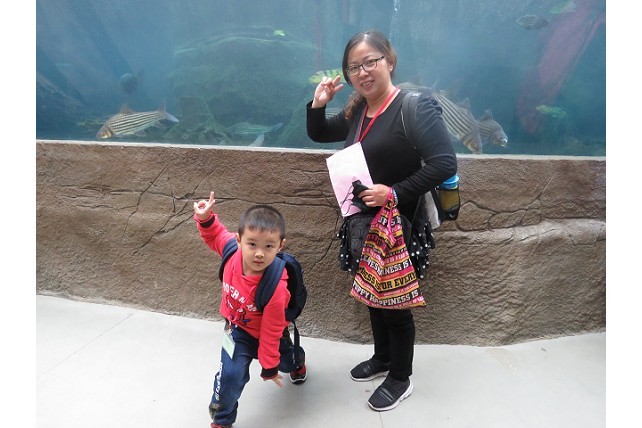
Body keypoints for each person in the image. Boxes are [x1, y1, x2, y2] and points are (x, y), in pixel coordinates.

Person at [306, 30, 457, 411]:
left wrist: (394, 192)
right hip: (363, 223)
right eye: (353, 67)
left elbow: (444, 163)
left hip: (398, 222)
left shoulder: (414, 107)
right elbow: (320, 133)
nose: (362, 72)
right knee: (372, 293)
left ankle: (400, 377)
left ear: (389, 60)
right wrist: (318, 104)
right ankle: (383, 357)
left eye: (370, 62)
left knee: (395, 301)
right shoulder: (359, 110)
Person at [193, 192, 307, 428]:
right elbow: (215, 234)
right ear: (239, 240)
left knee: (287, 363)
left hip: (269, 335)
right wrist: (205, 218)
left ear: (280, 246)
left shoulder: (276, 287)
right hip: (236, 331)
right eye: (252, 244)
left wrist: (269, 367)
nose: (259, 253)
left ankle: (298, 362)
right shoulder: (231, 252)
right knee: (230, 377)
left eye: (269, 246)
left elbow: (271, 331)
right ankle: (222, 420)